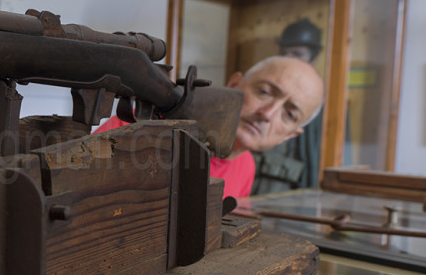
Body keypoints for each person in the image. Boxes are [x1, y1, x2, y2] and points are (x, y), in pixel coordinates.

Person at [95, 55, 324, 199]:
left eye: (290, 113)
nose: (267, 114)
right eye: (264, 92)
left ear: (290, 135)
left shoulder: (247, 166)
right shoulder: (138, 127)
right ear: (234, 84)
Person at [250, 18, 325, 193]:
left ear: (313, 57)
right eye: (285, 53)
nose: (289, 59)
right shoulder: (262, 95)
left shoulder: (321, 105)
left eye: (297, 54)